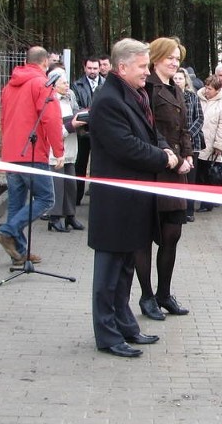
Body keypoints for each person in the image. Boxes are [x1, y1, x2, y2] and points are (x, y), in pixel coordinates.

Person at [88, 38, 179, 358]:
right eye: (142, 67)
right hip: (115, 202)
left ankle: (126, 324)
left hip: (133, 199)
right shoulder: (109, 100)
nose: (147, 72)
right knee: (109, 273)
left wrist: (165, 147)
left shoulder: (134, 94)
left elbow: (149, 133)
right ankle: (107, 334)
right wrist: (161, 158)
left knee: (125, 268)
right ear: (122, 67)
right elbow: (125, 146)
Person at [134, 37, 193, 321]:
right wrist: (170, 156)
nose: (174, 62)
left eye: (177, 58)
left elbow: (184, 127)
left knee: (173, 234)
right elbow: (148, 129)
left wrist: (189, 155)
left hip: (176, 169)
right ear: (155, 58)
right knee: (144, 237)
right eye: (169, 57)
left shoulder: (175, 88)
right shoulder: (146, 88)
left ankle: (164, 293)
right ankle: (147, 297)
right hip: (154, 168)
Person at [0, 46, 65, 264]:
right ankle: (8, 230)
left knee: (16, 203)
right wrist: (58, 151)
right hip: (32, 153)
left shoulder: (9, 86)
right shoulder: (42, 84)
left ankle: (19, 253)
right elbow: (51, 119)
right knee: (46, 198)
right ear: (45, 62)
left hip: (12, 151)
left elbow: (3, 119)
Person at [46, 68, 86, 233]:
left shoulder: (70, 99)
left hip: (70, 150)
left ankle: (70, 215)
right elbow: (52, 130)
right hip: (55, 152)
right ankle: (54, 217)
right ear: (54, 85)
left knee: (71, 185)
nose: (67, 85)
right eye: (63, 82)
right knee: (58, 185)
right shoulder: (49, 102)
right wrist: (71, 126)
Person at [195, 75, 222, 212]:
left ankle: (207, 203)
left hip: (212, 146)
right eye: (205, 87)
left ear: (217, 90)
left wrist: (219, 145)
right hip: (197, 143)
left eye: (209, 88)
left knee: (209, 176)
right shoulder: (197, 99)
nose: (206, 90)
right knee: (198, 174)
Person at [72, 56, 105, 205]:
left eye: (95, 68)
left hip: (100, 133)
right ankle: (76, 197)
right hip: (83, 132)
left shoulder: (106, 85)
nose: (92, 71)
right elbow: (76, 109)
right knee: (80, 165)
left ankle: (96, 197)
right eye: (90, 68)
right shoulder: (77, 85)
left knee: (98, 166)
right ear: (84, 68)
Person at [174, 67, 204, 222]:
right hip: (174, 143)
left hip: (193, 142)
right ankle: (178, 210)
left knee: (191, 178)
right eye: (175, 78)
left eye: (180, 78)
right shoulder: (168, 96)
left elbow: (199, 118)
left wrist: (189, 135)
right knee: (178, 177)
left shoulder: (193, 97)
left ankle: (189, 210)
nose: (177, 81)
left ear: (185, 80)